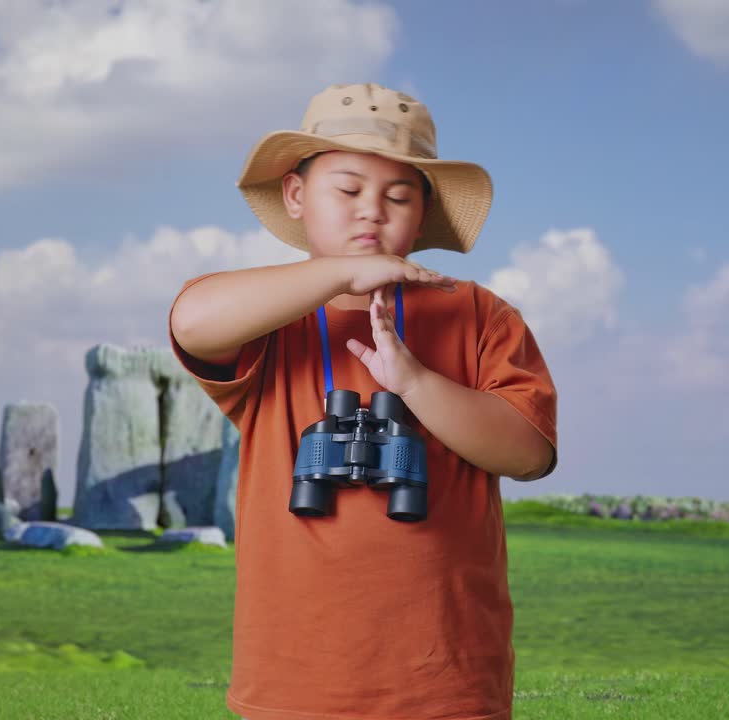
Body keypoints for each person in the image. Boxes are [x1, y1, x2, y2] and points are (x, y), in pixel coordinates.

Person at [169, 82, 558, 720]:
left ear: (423, 211)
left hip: (446, 677)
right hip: (295, 677)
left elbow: (527, 451)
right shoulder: (269, 315)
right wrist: (342, 277)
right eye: (347, 190)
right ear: (296, 195)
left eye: (398, 196)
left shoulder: (477, 313)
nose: (370, 212)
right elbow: (191, 320)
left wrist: (416, 385)